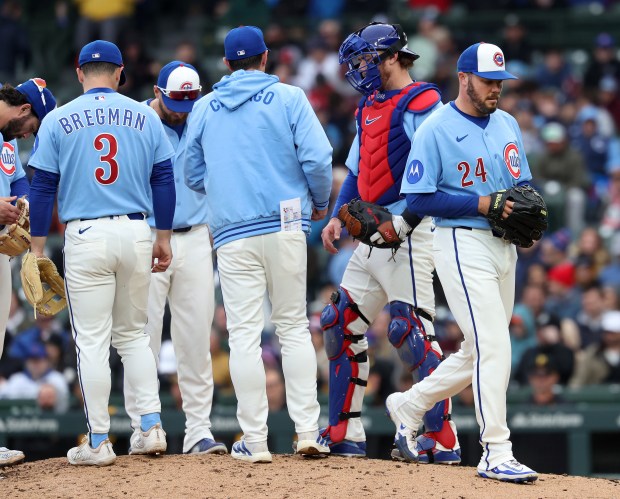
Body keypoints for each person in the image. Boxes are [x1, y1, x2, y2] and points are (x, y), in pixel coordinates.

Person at [384, 42, 539, 482]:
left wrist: (525, 208)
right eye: (488, 81)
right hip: (461, 243)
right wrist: (483, 203)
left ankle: (409, 404)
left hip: (503, 246)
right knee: (494, 347)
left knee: (478, 350)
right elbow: (419, 196)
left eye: (500, 82)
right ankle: (496, 449)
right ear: (464, 77)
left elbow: (521, 181)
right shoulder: (436, 127)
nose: (496, 89)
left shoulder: (507, 122)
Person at [184, 25, 332, 463]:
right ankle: (307, 431)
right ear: (266, 58)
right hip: (286, 223)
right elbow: (319, 159)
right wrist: (318, 202)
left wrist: (223, 185)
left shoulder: (206, 107)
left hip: (233, 233)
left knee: (244, 337)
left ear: (227, 64)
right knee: (293, 327)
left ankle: (255, 440)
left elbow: (190, 172)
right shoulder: (289, 97)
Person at [27, 40, 176, 466]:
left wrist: (38, 248)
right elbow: (164, 178)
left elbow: (41, 187)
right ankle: (150, 428)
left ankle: (98, 441)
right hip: (135, 230)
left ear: (78, 73)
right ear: (119, 73)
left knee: (91, 342)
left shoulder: (57, 119)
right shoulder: (145, 114)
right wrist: (162, 235)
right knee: (134, 336)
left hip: (86, 234)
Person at [319, 21, 460, 463]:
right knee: (339, 324)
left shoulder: (424, 101)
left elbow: (434, 168)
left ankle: (441, 438)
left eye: (368, 60)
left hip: (409, 234)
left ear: (394, 57)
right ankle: (345, 430)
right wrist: (338, 217)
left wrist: (407, 220)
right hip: (371, 234)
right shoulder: (369, 105)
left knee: (410, 333)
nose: (361, 70)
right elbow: (360, 170)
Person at [123, 60, 227, 455]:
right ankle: (142, 428)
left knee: (196, 339)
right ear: (157, 92)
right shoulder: (136, 120)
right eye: (174, 103)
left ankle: (198, 431)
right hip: (146, 234)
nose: (181, 111)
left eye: (189, 101)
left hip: (197, 235)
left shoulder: (203, 115)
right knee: (142, 338)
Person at [0, 77, 56, 467]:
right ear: (23, 110)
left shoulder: (6, 140)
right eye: (31, 126)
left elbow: (18, 178)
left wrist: (20, 202)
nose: (29, 134)